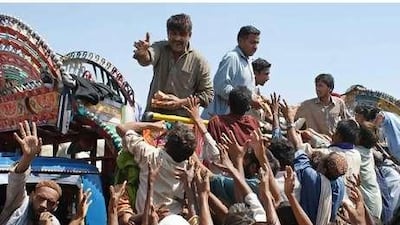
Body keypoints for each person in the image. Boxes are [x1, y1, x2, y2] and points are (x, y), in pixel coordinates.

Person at [0, 121, 91, 225]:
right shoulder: (18, 206)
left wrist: (78, 218)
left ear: (56, 206)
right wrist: (27, 158)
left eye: (50, 202)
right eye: (40, 198)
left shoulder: (52, 222)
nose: (44, 205)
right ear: (32, 195)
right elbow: (16, 181)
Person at [133, 13, 213, 117]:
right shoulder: (160, 48)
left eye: (182, 34)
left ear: (190, 35)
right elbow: (147, 59)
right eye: (173, 34)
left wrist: (180, 103)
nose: (177, 38)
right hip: (154, 120)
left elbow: (208, 96)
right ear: (167, 34)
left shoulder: (200, 61)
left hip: (182, 125)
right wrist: (142, 53)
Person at [117, 121, 196, 215]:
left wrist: (152, 125)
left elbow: (121, 127)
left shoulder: (150, 154)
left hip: (144, 217)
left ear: (166, 143)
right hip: (174, 217)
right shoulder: (189, 170)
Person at [202, 25, 262, 119]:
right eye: (252, 42)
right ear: (240, 41)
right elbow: (221, 86)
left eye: (257, 43)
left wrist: (254, 97)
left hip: (233, 121)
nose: (255, 47)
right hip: (219, 121)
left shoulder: (247, 62)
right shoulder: (232, 58)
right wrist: (249, 99)